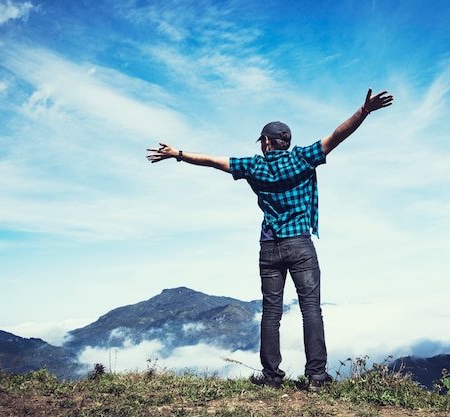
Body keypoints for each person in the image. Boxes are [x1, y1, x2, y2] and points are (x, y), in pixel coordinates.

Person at [146, 88, 393, 391]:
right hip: (300, 245)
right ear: (285, 142)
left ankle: (272, 377)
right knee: (311, 310)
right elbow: (337, 135)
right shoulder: (303, 159)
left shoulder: (254, 166)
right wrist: (364, 111)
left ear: (266, 142)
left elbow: (212, 161)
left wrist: (179, 155)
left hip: (269, 247)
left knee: (271, 312)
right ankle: (316, 377)